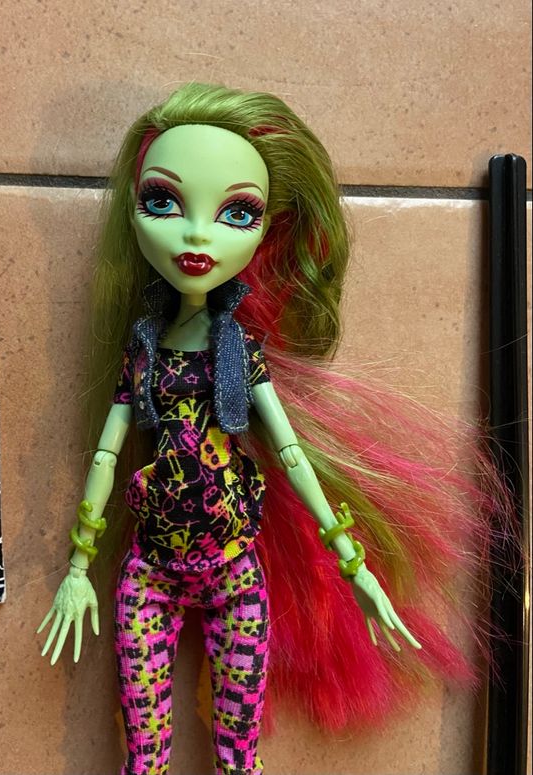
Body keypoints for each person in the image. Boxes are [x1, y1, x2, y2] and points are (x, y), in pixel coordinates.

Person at [38, 83, 496, 775]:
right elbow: (107, 452)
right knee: (144, 753)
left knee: (240, 754)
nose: (198, 235)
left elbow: (290, 453)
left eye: (237, 212)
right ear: (132, 212)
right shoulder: (144, 348)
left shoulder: (240, 351)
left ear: (265, 229)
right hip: (150, 569)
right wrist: (78, 568)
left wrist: (354, 564)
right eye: (163, 201)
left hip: (234, 567)